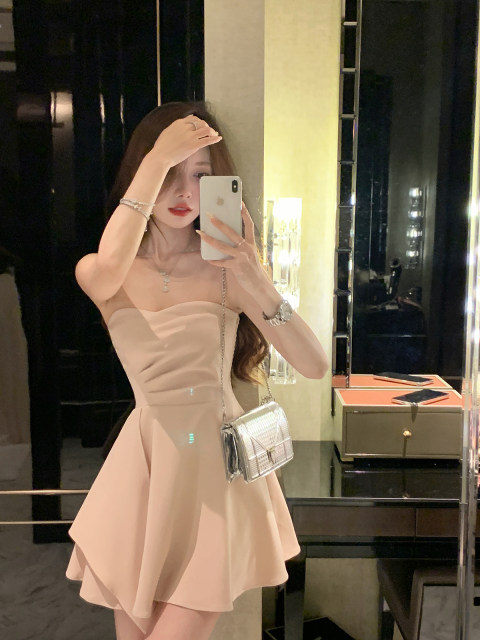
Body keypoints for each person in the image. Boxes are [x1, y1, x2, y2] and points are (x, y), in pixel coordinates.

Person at [65, 101, 329, 640]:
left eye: (201, 175)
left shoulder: (228, 272)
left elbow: (313, 363)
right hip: (144, 470)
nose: (185, 191)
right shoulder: (105, 271)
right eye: (170, 172)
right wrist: (157, 158)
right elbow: (109, 267)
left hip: (214, 473)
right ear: (143, 173)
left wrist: (256, 278)